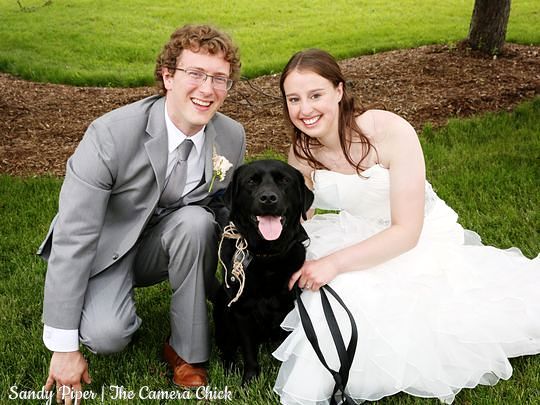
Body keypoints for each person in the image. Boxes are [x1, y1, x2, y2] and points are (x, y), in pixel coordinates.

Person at [272, 49, 540, 404]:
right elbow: (301, 219)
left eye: (315, 95)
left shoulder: (387, 130)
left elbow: (407, 232)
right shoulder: (301, 152)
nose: (305, 109)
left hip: (416, 237)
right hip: (353, 230)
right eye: (294, 99)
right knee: (320, 288)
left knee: (359, 291)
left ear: (339, 90)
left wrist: (334, 263)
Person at [37, 24, 246, 402]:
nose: (207, 89)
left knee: (197, 222)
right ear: (167, 76)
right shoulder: (110, 135)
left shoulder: (231, 136)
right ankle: (93, 303)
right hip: (105, 247)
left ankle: (186, 351)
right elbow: (75, 234)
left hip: (169, 240)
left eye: (219, 78)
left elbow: (221, 206)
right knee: (107, 337)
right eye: (195, 74)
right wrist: (64, 346)